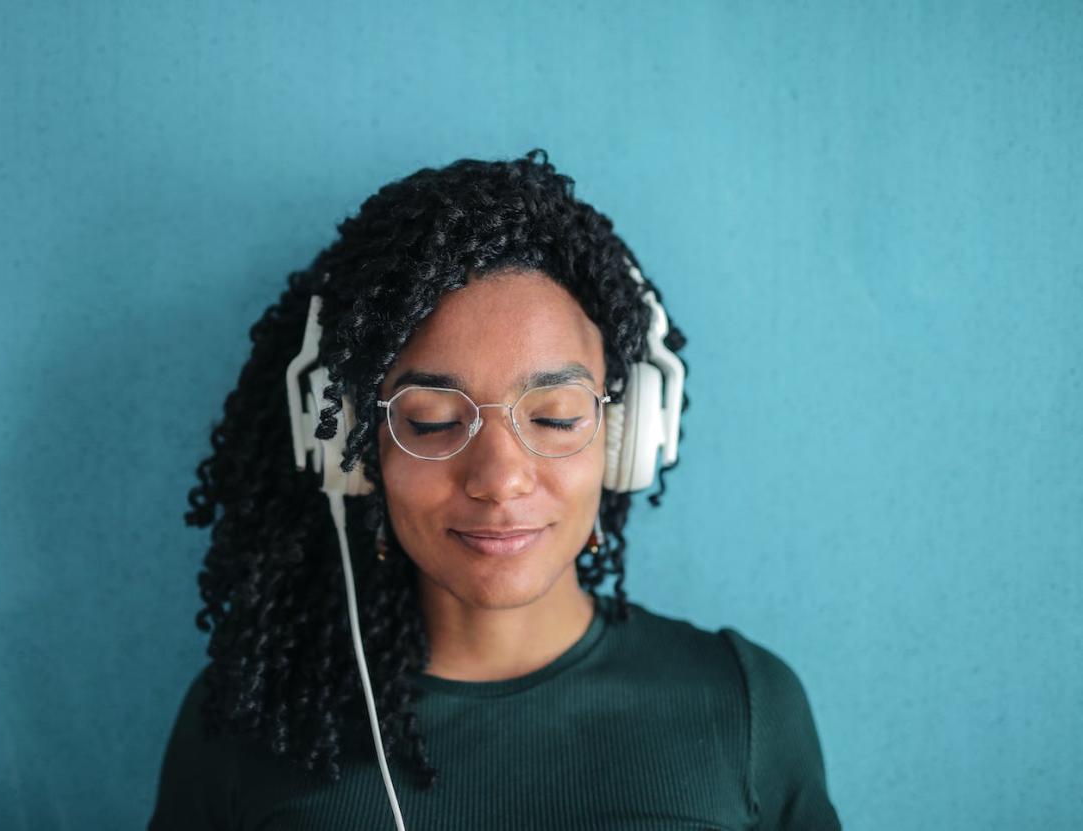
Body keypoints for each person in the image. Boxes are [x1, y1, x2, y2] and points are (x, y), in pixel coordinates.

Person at [148, 150, 841, 830]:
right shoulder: (246, 720)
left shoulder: (743, 704)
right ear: (349, 446)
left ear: (625, 435)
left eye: (555, 416)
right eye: (433, 420)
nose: (501, 477)